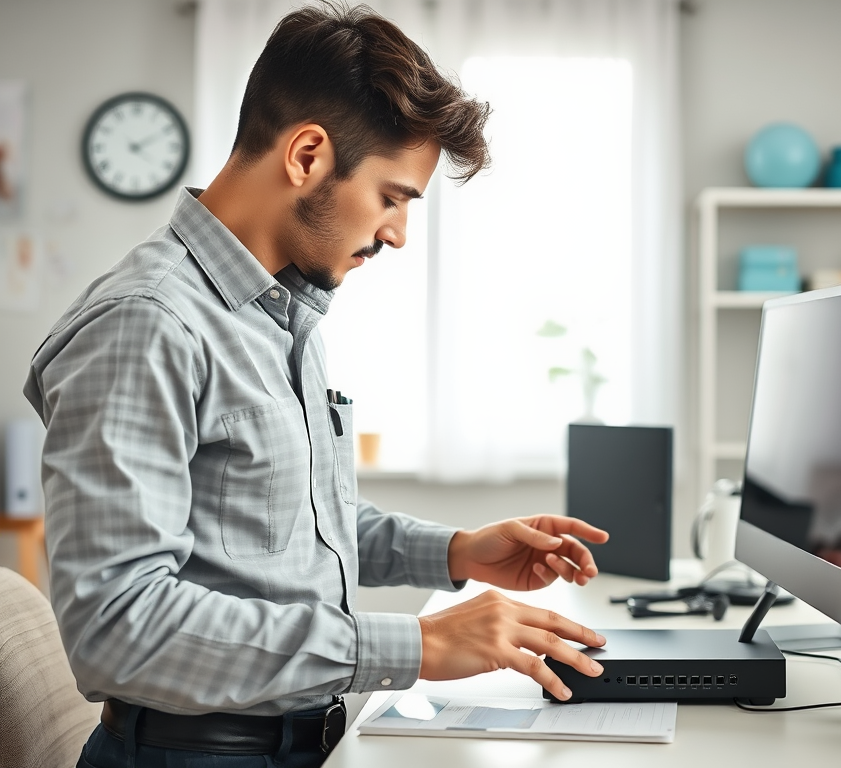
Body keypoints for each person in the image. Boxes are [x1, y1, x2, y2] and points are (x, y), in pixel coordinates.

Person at [23, 4, 609, 767]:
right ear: (306, 155)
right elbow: (117, 627)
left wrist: (458, 552)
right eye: (393, 196)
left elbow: (288, 525)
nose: (397, 233)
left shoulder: (278, 314)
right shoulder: (148, 323)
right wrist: (421, 643)